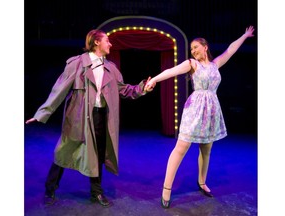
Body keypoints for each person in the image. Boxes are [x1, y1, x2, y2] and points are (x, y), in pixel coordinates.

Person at [26, 29, 152, 207]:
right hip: (78, 116)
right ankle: (50, 188)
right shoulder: (77, 64)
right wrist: (42, 114)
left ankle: (96, 192)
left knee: (98, 154)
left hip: (101, 116)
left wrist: (142, 88)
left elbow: (124, 90)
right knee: (64, 151)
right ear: (96, 43)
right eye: (107, 41)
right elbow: (59, 89)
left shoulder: (111, 68)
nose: (110, 44)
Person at [145, 26, 255, 208]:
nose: (194, 51)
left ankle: (202, 182)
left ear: (205, 47)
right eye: (192, 49)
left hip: (211, 110)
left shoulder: (215, 64)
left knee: (206, 149)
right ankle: (166, 188)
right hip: (195, 108)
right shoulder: (191, 64)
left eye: (196, 47)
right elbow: (171, 71)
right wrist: (154, 79)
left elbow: (231, 49)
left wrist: (244, 35)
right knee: (181, 147)